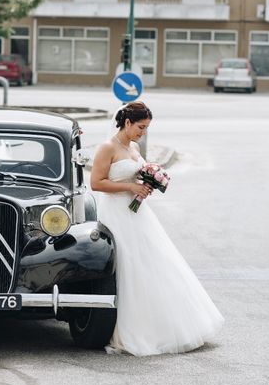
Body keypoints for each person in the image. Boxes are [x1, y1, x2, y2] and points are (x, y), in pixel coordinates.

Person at [91, 101, 224, 356]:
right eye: (141, 127)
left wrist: (146, 181)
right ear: (127, 122)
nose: (143, 133)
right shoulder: (107, 147)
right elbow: (96, 183)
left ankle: (163, 325)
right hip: (116, 212)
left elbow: (135, 174)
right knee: (128, 266)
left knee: (152, 264)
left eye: (147, 128)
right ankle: (126, 328)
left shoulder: (134, 146)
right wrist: (130, 187)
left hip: (137, 213)